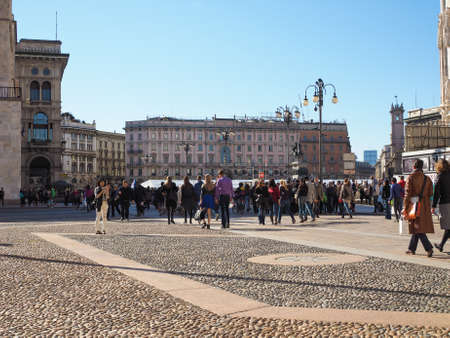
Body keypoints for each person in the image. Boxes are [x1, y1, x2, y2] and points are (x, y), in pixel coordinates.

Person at [404, 159, 434, 257]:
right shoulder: (427, 179)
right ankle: (411, 249)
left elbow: (407, 193)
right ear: (422, 167)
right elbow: (430, 193)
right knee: (417, 227)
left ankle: (429, 248)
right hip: (424, 206)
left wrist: (405, 206)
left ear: (414, 167)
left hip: (414, 205)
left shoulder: (411, 178)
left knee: (417, 228)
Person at [432, 159, 450, 252]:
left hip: (445, 203)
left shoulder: (440, 176)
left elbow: (436, 193)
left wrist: (433, 205)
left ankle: (441, 245)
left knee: (447, 226)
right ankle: (441, 245)